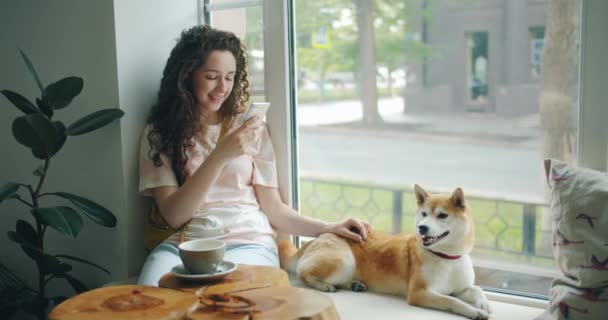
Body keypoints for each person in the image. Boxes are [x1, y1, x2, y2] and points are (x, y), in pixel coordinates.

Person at [137, 25, 370, 286]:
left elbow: (274, 209)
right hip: (185, 244)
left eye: (230, 77)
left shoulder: (249, 128)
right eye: (212, 76)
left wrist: (328, 227)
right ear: (187, 76)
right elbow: (174, 215)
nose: (222, 88)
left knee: (238, 303)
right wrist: (220, 155)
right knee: (151, 294)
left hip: (247, 242)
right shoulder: (160, 133)